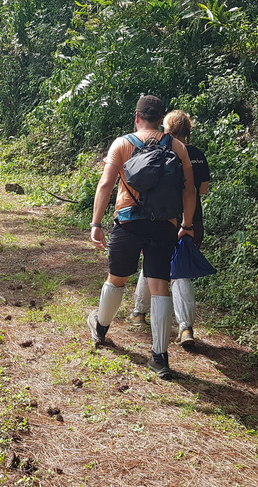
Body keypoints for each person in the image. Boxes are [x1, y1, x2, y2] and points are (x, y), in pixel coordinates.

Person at [88, 95, 197, 379]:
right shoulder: (178, 147)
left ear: (137, 117)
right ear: (161, 119)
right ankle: (160, 358)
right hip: (164, 225)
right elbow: (190, 191)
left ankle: (100, 329)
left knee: (117, 278)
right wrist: (185, 224)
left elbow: (105, 184)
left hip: (128, 222)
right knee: (160, 286)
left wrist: (96, 223)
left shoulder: (123, 144)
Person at [131, 110, 210, 347]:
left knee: (152, 262)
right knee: (181, 270)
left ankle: (139, 312)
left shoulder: (160, 150)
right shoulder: (196, 155)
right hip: (192, 220)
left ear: (165, 128)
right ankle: (186, 328)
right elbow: (202, 190)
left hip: (164, 218)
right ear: (188, 130)